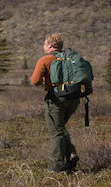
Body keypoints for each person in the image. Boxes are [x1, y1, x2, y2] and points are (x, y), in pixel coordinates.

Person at [29, 34, 80, 173]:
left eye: (45, 43)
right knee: (60, 128)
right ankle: (70, 154)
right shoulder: (71, 58)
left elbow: (34, 81)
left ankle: (56, 168)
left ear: (51, 45)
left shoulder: (45, 59)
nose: (43, 46)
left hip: (57, 99)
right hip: (74, 98)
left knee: (56, 132)